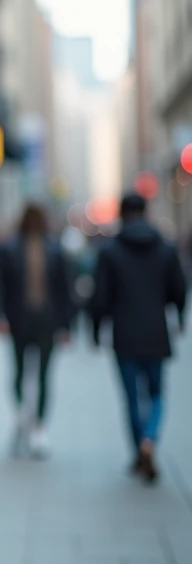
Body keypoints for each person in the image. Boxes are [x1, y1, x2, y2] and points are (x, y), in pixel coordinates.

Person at [90, 193, 186, 484]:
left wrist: (95, 329)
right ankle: (150, 438)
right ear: (145, 212)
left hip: (125, 335)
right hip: (156, 333)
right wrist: (179, 318)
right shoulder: (166, 249)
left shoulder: (110, 251)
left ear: (122, 214)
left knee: (132, 397)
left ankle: (138, 450)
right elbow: (179, 290)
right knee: (156, 393)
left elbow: (100, 298)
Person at [0, 203, 74, 459]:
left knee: (44, 375)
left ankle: (38, 426)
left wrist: (65, 325)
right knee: (18, 371)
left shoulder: (55, 250)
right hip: (19, 321)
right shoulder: (10, 249)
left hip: (46, 321)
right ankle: (21, 414)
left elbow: (65, 291)